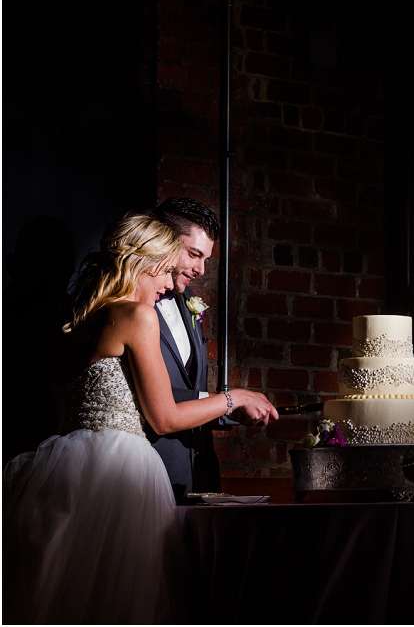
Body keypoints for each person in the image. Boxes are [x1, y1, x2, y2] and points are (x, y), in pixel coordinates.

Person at [3, 212, 278, 623]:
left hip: (63, 470)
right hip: (119, 475)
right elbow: (164, 418)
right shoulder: (136, 315)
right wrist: (233, 397)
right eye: (165, 271)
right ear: (139, 262)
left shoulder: (73, 321)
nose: (169, 285)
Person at [150, 197, 227, 503]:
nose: (201, 269)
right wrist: (228, 402)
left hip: (196, 472)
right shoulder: (131, 306)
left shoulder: (188, 299)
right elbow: (155, 398)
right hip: (145, 472)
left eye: (206, 259)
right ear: (163, 239)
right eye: (194, 254)